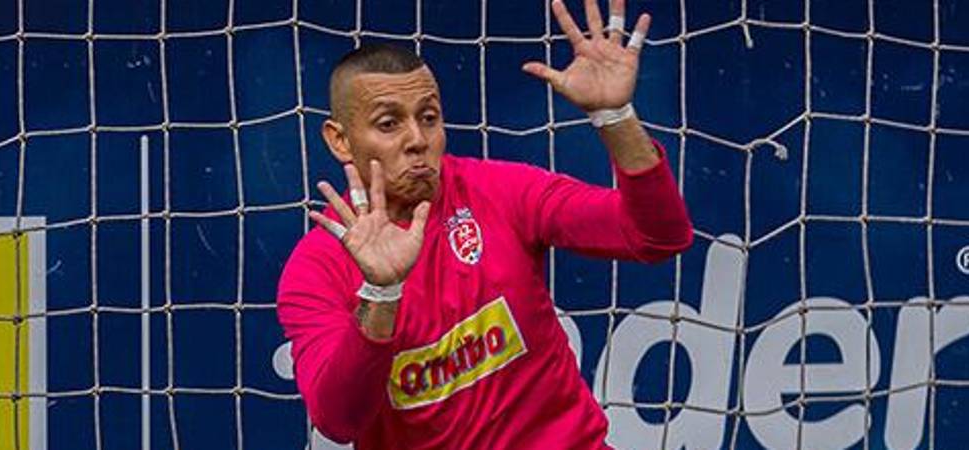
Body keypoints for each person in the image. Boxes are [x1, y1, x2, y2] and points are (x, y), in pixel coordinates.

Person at [275, 0, 692, 447]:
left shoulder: (498, 191)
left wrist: (616, 118)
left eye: (429, 118)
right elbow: (339, 421)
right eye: (389, 123)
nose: (417, 140)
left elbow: (659, 236)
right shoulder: (315, 267)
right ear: (340, 140)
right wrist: (382, 294)